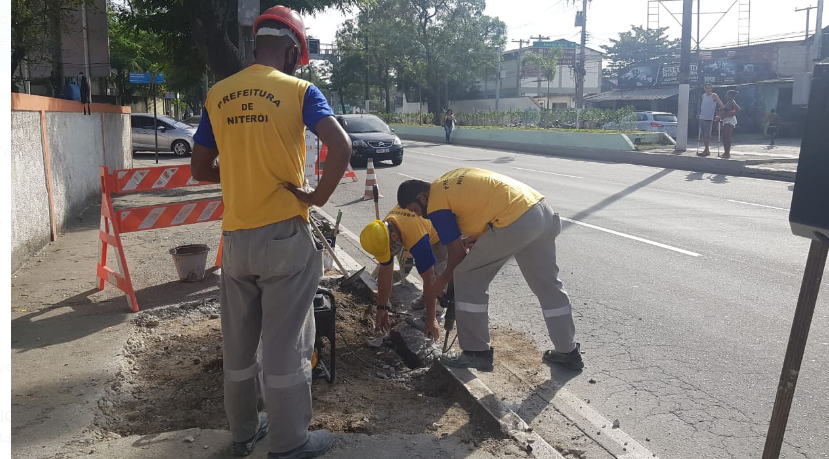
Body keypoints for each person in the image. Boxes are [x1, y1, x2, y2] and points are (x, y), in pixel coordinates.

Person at [190, 6, 351, 459]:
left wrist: (240, 173)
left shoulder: (218, 94)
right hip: (284, 237)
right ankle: (289, 442)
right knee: (286, 343)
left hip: (236, 240)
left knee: (238, 345)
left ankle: (244, 433)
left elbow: (200, 167)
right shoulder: (300, 90)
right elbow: (341, 144)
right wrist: (316, 197)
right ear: (293, 49)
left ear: (255, 43)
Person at [396, 168, 583, 372]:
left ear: (422, 198)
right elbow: (489, 201)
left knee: (466, 277)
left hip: (516, 220)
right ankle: (568, 352)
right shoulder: (447, 181)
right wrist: (484, 234)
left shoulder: (435, 205)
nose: (420, 216)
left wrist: (441, 281)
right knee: (549, 286)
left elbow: (457, 256)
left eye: (416, 210)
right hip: (541, 211)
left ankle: (476, 352)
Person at [359, 206, 449, 331]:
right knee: (425, 268)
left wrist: (431, 319)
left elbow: (430, 280)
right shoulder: (383, 230)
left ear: (394, 237)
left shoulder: (415, 237)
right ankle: (426, 298)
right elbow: (385, 270)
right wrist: (382, 307)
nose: (390, 253)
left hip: (442, 228)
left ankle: (438, 312)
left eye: (389, 250)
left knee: (437, 272)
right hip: (424, 226)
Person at [697, 83, 724, 157]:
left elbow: (721, 105)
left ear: (711, 89)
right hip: (702, 117)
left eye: (710, 88)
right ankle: (706, 150)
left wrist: (719, 114)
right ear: (704, 88)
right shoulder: (703, 96)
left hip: (709, 118)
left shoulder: (714, 95)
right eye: (707, 88)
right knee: (703, 134)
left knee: (707, 135)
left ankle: (707, 150)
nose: (708, 89)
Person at [719, 90, 740, 159]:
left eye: (727, 95)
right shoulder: (728, 102)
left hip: (729, 121)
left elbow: (738, 109)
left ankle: (727, 153)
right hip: (726, 120)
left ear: (730, 96)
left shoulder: (732, 102)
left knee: (727, 137)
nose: (725, 96)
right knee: (724, 137)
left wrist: (732, 115)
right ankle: (725, 152)